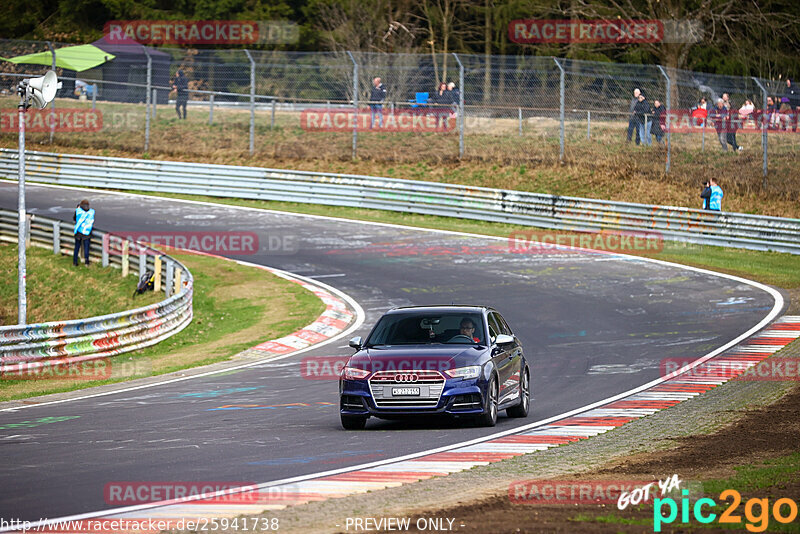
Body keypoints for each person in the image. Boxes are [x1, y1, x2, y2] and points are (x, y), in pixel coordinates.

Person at [73, 199, 95, 266]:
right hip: (87, 232)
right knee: (86, 248)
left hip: (79, 232)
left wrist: (78, 209)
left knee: (77, 247)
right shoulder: (91, 212)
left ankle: (75, 262)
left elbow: (74, 218)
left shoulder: (78, 211)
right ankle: (87, 262)